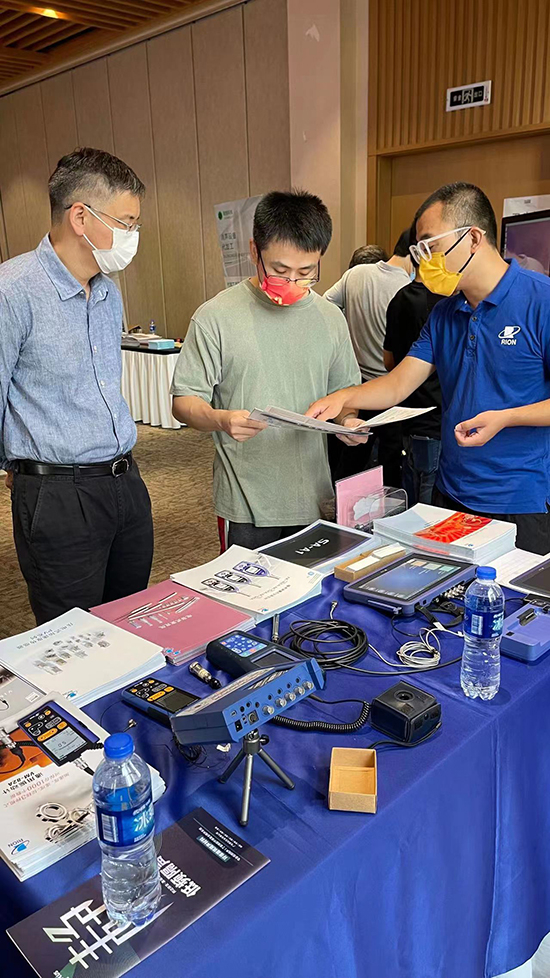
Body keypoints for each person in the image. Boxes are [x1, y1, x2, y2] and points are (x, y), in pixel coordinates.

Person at [306, 182, 550, 554]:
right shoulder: (444, 313)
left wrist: (506, 418)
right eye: (419, 251)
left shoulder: (540, 300)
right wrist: (343, 398)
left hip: (520, 500)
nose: (425, 262)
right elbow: (398, 383)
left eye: (431, 247)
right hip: (450, 492)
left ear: (473, 238)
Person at [0, 147, 154, 624]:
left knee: (129, 621)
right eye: (125, 223)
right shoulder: (13, 290)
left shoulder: (107, 291)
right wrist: (18, 469)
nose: (132, 236)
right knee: (73, 637)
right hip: (58, 495)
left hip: (125, 482)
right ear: (81, 217)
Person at [171, 189, 361, 551]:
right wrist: (221, 419)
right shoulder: (216, 317)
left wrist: (349, 422)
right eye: (279, 271)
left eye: (306, 272)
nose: (291, 283)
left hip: (314, 497)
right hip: (246, 503)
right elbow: (184, 401)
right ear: (254, 251)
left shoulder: (330, 318)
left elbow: (344, 396)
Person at [323, 230, 413, 486]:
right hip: (392, 386)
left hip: (357, 382)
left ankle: (340, 499)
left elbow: (325, 305)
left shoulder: (355, 275)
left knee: (352, 448)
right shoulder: (408, 289)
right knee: (390, 458)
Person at [384, 237, 443, 504]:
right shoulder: (445, 304)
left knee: (410, 494)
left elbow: (389, 361)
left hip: (406, 416)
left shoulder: (398, 299)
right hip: (436, 419)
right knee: (429, 502)